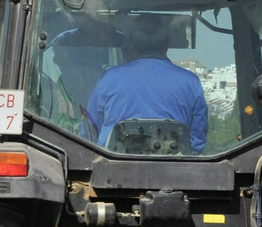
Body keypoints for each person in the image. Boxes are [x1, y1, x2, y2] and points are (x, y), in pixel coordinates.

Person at [82, 17, 209, 153]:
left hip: (112, 169)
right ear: (167, 45)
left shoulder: (108, 79)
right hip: (175, 171)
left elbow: (89, 135)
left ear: (130, 45)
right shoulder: (191, 82)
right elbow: (196, 143)